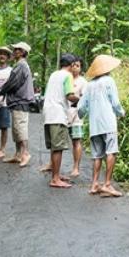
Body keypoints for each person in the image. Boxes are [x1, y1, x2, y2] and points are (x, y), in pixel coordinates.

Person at [78, 55, 126, 197]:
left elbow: (81, 107)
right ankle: (107, 184)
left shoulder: (90, 85)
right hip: (108, 123)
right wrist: (121, 113)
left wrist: (80, 116)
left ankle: (94, 184)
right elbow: (115, 103)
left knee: (97, 155)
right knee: (111, 152)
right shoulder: (109, 81)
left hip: (95, 125)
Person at [41, 53, 79, 188]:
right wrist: (81, 99)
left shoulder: (54, 74)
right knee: (58, 147)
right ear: (72, 65)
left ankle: (55, 174)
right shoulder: (67, 75)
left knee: (54, 146)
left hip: (48, 112)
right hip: (58, 113)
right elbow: (70, 96)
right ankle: (55, 179)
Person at [0, 42, 35, 167]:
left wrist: (0, 91)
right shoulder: (20, 65)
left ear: (23, 52)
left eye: (17, 50)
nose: (14, 51)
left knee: (20, 128)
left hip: (20, 101)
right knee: (16, 129)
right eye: (14, 49)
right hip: (17, 101)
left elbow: (12, 83)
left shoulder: (21, 65)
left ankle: (25, 153)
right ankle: (18, 154)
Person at [66, 58, 87, 178]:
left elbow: (84, 99)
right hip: (63, 113)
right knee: (58, 141)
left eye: (77, 66)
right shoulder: (65, 78)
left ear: (80, 68)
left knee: (76, 141)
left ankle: (76, 167)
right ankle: (52, 164)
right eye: (73, 65)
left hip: (76, 115)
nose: (75, 67)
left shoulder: (83, 82)